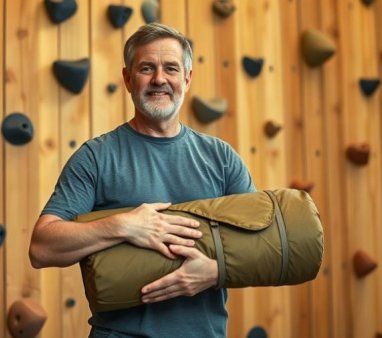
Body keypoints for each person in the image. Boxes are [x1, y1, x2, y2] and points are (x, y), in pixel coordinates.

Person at [29, 22, 255, 338]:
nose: (159, 79)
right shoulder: (96, 157)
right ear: (128, 79)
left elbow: (260, 247)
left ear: (187, 79)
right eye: (146, 68)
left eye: (171, 69)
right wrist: (123, 226)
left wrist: (214, 272)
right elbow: (42, 248)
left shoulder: (222, 158)